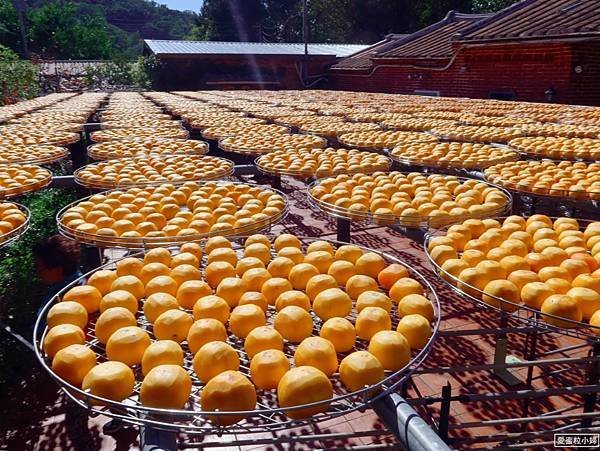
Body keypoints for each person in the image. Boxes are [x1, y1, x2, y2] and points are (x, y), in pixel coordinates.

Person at [33, 234, 82, 309]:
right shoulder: (76, 280)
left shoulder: (60, 303)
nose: (37, 272)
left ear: (58, 269)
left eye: (39, 268)